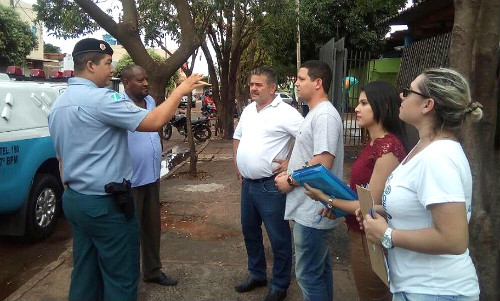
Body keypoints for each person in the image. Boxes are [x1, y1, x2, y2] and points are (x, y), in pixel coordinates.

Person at [48, 38, 207, 301]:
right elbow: (154, 121)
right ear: (90, 65)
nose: (112, 70)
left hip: (76, 200)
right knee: (121, 277)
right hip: (106, 205)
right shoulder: (102, 99)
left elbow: (60, 158)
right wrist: (181, 90)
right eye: (108, 63)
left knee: (85, 274)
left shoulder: (58, 105)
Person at [360, 68, 481, 301]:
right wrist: (380, 211)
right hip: (418, 288)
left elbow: (453, 238)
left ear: (427, 105)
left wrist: (387, 235)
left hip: (435, 291)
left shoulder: (438, 157)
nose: (401, 97)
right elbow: (420, 208)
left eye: (408, 92)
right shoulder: (424, 148)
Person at [303, 81, 408, 301]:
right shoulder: (374, 143)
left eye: (364, 103)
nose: (357, 109)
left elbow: (369, 207)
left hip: (369, 237)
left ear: (384, 107)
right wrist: (336, 206)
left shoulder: (387, 147)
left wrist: (325, 198)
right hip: (358, 232)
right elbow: (359, 193)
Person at [275, 60, 344, 301]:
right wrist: (290, 164)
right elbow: (312, 155)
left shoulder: (324, 115)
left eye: (301, 78)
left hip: (313, 210)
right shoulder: (316, 113)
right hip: (311, 208)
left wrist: (290, 179)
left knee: (308, 275)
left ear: (318, 83)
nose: (296, 83)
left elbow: (323, 162)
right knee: (319, 271)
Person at [233, 66, 304, 301]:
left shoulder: (286, 113)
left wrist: (292, 162)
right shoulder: (248, 110)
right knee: (250, 232)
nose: (253, 88)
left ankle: (280, 284)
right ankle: (257, 274)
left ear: (272, 88)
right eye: (252, 84)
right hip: (248, 185)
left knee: (278, 237)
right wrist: (238, 164)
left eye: (258, 84)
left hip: (270, 186)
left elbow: (308, 136)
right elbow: (238, 137)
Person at [121, 65, 177, 286]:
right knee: (130, 233)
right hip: (130, 181)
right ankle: (129, 280)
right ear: (126, 82)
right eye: (139, 80)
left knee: (152, 229)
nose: (145, 83)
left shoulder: (151, 102)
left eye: (146, 79)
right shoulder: (119, 105)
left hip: (152, 177)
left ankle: (153, 271)